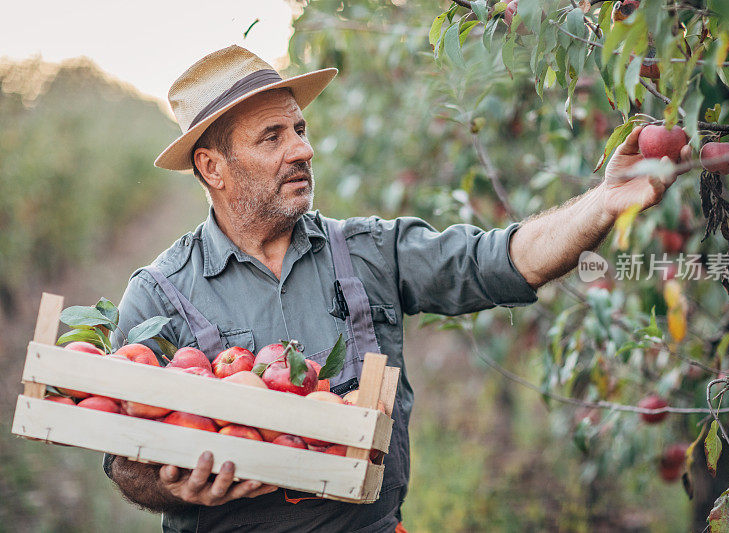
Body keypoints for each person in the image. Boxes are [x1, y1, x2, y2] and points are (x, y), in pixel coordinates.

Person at [104, 45, 691, 532]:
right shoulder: (160, 297)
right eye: (272, 137)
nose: (303, 150)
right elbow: (122, 460)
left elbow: (502, 260)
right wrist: (172, 486)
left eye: (301, 130)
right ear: (213, 167)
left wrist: (603, 203)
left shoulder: (367, 252)